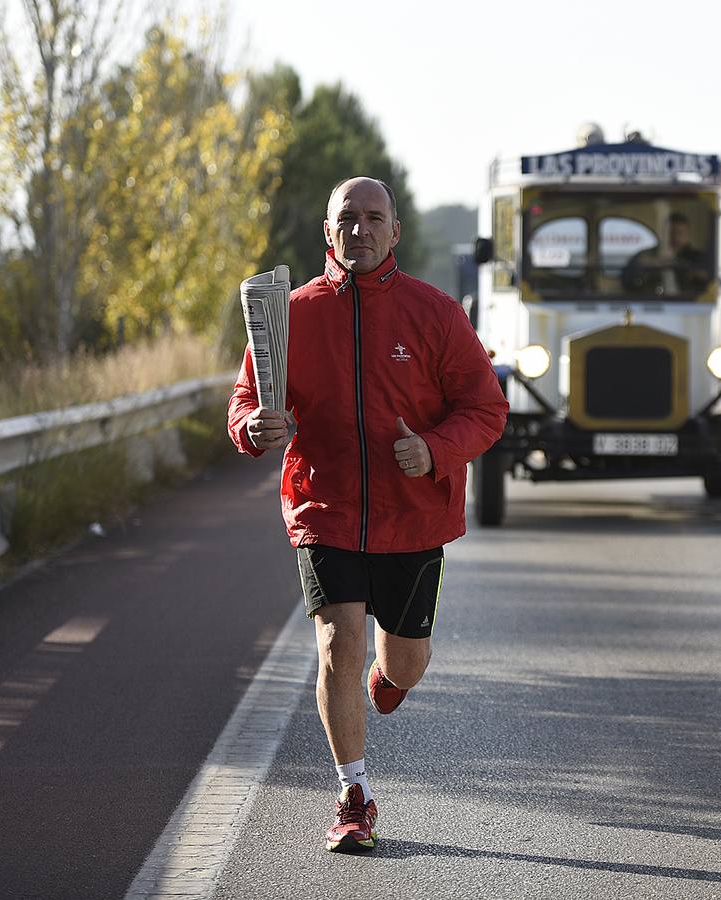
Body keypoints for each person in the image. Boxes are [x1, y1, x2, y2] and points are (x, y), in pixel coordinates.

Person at [226, 177, 508, 853]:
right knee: (336, 647)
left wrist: (435, 449)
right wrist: (254, 428)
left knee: (404, 664)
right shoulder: (289, 315)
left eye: (372, 218)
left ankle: (392, 677)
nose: (359, 230)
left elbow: (486, 408)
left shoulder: (434, 313)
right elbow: (244, 405)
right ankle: (354, 796)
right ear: (328, 233)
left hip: (413, 518)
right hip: (324, 510)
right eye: (346, 219)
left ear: (394, 232)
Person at [620, 212, 711, 295]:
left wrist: (689, 270)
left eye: (680, 233)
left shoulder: (697, 258)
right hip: (651, 303)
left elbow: (709, 280)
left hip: (688, 304)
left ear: (687, 234)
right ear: (664, 233)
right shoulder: (646, 255)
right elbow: (626, 279)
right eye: (671, 232)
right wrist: (651, 263)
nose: (675, 237)